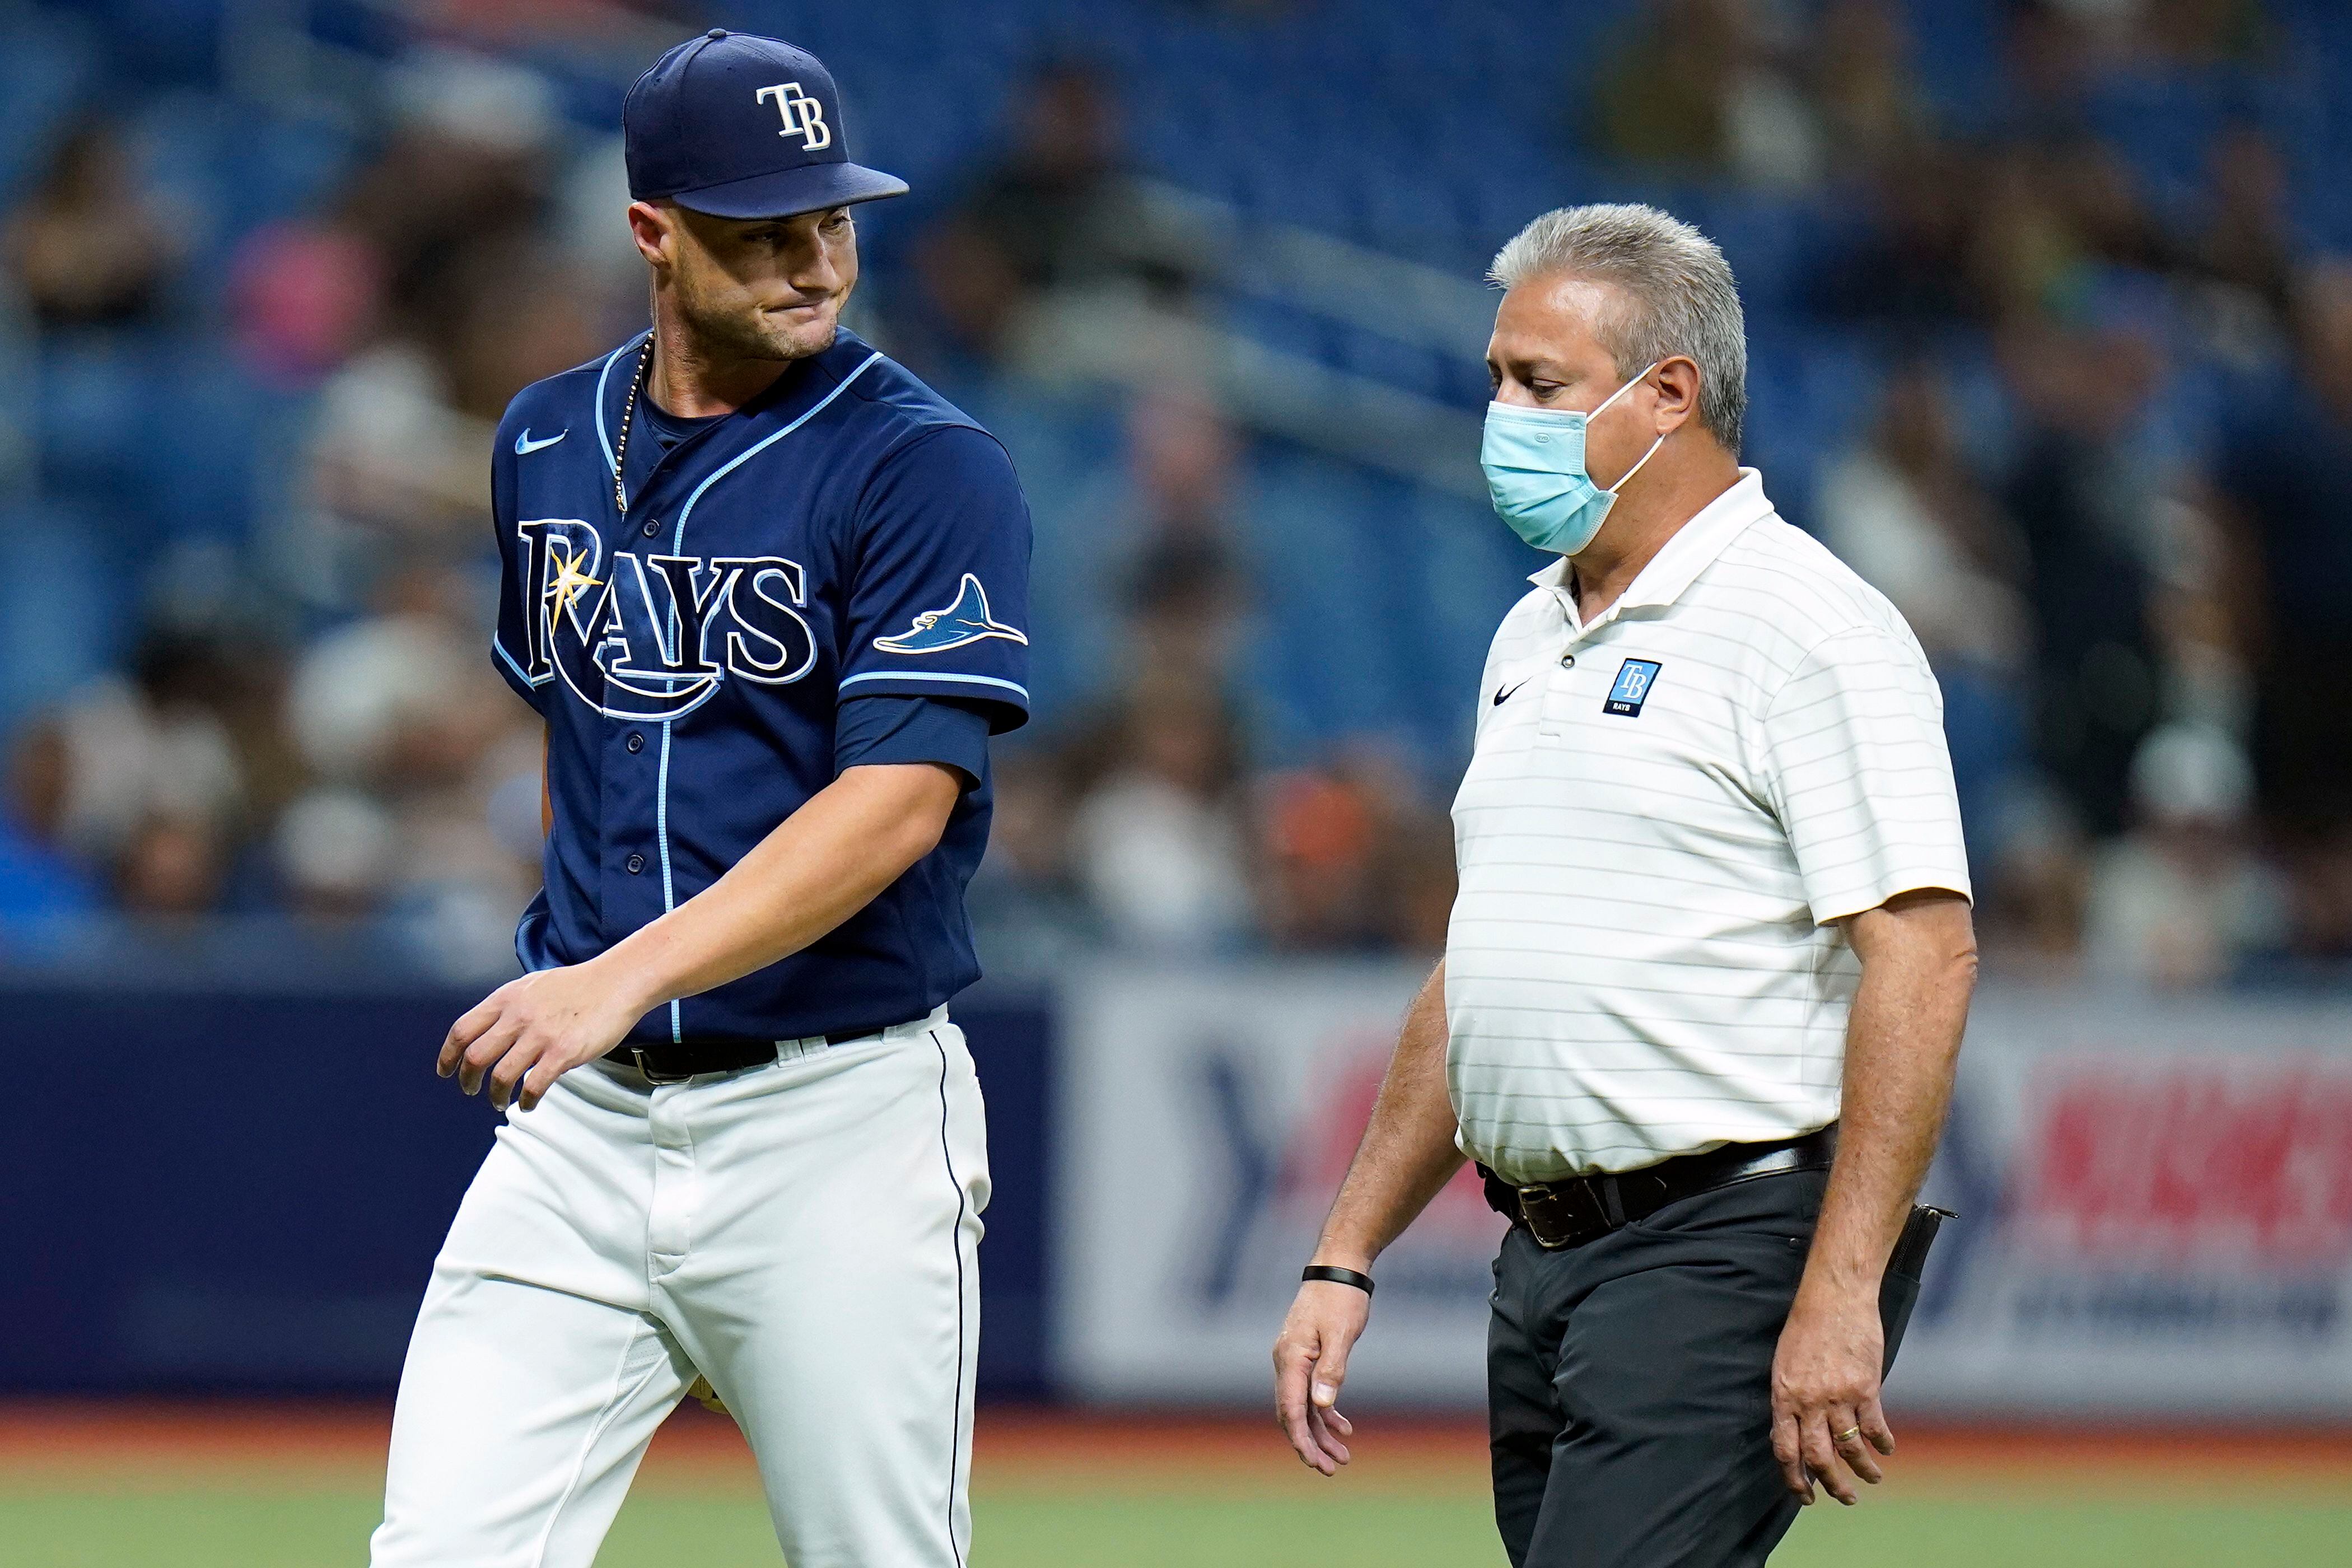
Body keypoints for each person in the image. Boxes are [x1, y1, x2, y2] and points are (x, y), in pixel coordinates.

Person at [370, 32, 1032, 1568]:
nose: (814, 263)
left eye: (835, 221)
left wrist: (614, 974)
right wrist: (594, 971)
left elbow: (900, 803)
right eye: (764, 230)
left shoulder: (927, 465)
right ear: (650, 232)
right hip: (585, 1130)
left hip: (836, 1120)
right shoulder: (541, 438)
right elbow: (581, 724)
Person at [1270, 204, 1977, 1568]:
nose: (1501, 416)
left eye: (1539, 385)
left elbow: (1924, 954)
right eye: (1496, 381)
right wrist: (1343, 1250)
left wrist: (1841, 1289)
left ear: (1670, 393)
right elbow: (1484, 964)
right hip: (1540, 1263)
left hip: (1719, 1248)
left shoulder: (1810, 626)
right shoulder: (1533, 626)